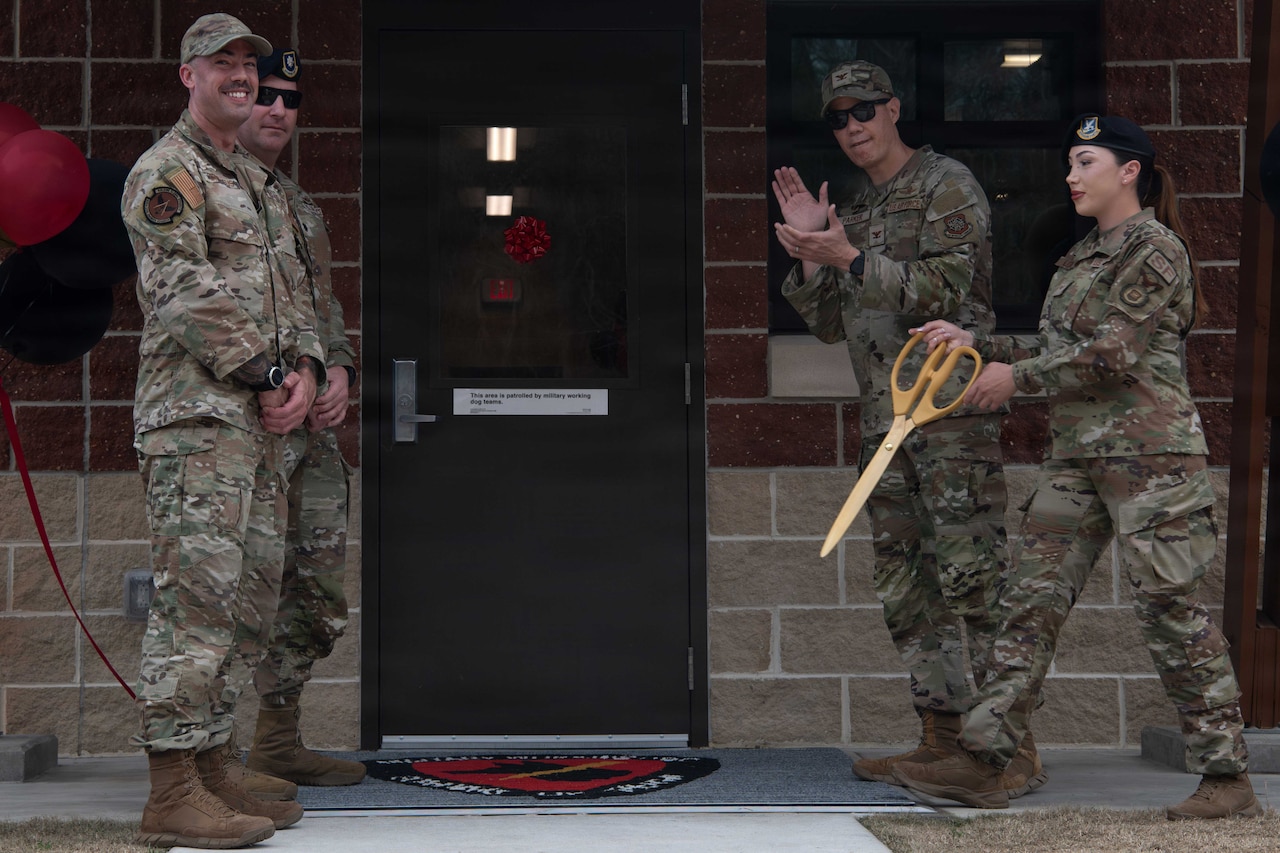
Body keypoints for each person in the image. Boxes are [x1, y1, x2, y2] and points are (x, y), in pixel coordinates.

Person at [897, 114, 1260, 819]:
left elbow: (1111, 353)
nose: (1070, 175)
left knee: (1170, 611)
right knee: (1028, 604)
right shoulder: (1081, 255)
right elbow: (1059, 342)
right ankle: (987, 758)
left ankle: (1226, 777)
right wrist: (978, 340)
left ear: (1130, 170)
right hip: (1077, 458)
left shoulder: (1156, 249)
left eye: (1084, 161)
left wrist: (1015, 377)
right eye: (1069, 161)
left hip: (1151, 460)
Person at [773, 60, 1042, 796]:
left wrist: (851, 258)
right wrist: (806, 256)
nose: (851, 126)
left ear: (893, 109)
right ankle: (943, 735)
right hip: (883, 427)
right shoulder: (855, 207)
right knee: (906, 588)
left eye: (863, 110)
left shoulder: (945, 184)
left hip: (948, 419)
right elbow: (834, 323)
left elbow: (949, 288)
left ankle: (1009, 748)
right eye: (837, 117)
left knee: (973, 581)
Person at [123, 12, 326, 848]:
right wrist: (269, 372)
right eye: (223, 64)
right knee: (195, 605)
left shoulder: (256, 181)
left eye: (250, 63)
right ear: (189, 75)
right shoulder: (168, 172)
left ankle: (212, 768)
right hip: (199, 422)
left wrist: (306, 370)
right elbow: (181, 288)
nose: (242, 76)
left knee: (246, 605)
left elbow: (295, 294)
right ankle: (170, 786)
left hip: (263, 427)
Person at [234, 47, 367, 791]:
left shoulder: (298, 204)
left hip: (311, 438)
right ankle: (211, 762)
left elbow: (325, 311)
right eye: (263, 95)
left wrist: (341, 368)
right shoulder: (210, 194)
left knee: (314, 595)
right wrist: (286, 375)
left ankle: (277, 741)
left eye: (291, 99)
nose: (279, 110)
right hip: (246, 433)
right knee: (235, 590)